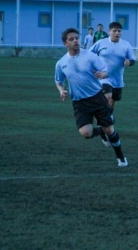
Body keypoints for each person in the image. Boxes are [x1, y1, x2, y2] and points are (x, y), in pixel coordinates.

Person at [54, 28, 128, 167]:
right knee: (86, 133)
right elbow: (58, 80)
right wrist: (61, 90)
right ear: (65, 44)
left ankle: (121, 157)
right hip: (79, 102)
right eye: (71, 39)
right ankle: (101, 130)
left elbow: (105, 71)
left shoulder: (90, 56)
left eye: (77, 38)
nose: (75, 40)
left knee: (110, 130)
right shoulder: (61, 63)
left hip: (96, 98)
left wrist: (103, 75)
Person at [89, 22, 136, 113]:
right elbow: (89, 54)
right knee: (107, 96)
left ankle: (107, 115)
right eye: (114, 31)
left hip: (118, 79)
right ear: (109, 31)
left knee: (113, 100)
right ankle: (101, 117)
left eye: (119, 31)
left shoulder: (126, 45)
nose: (117, 33)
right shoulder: (101, 43)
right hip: (104, 77)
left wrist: (129, 62)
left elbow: (133, 59)